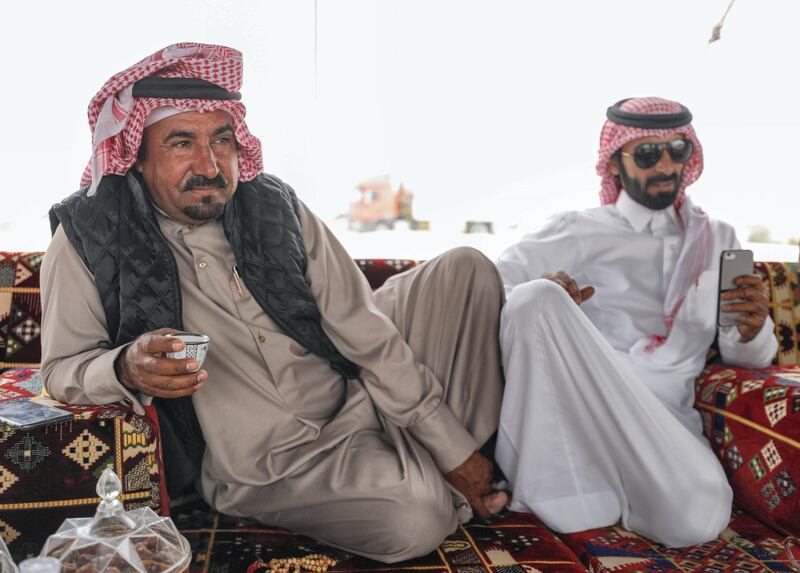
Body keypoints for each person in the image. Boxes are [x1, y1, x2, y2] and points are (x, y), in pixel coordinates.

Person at [40, 43, 508, 563]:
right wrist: (125, 367)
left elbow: (362, 329)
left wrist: (452, 449)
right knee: (415, 521)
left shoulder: (272, 204)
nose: (210, 165)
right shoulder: (90, 235)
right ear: (138, 158)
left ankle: (428, 454)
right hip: (273, 463)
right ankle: (436, 467)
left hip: (355, 393)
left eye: (222, 140)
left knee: (468, 269)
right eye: (181, 144)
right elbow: (62, 369)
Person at [494, 97, 778, 547]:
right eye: (648, 153)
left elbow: (747, 357)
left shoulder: (718, 236)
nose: (666, 165)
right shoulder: (578, 228)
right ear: (613, 164)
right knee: (536, 298)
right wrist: (557, 300)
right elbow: (493, 286)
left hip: (667, 417)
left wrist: (752, 328)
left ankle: (605, 490)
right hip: (590, 400)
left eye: (678, 150)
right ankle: (569, 485)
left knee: (697, 518)